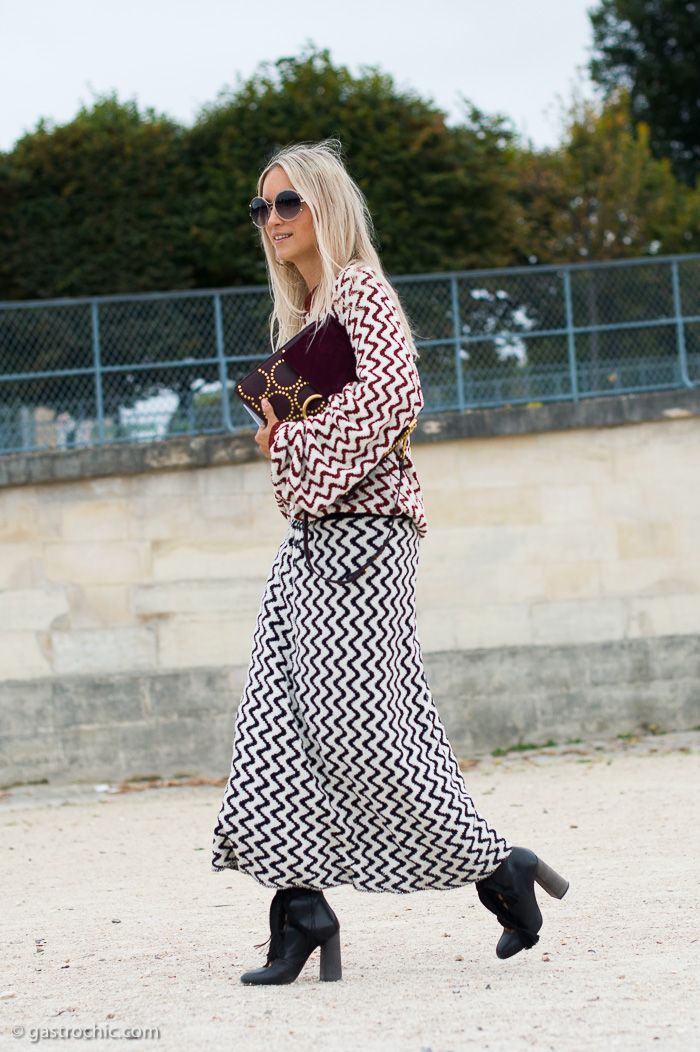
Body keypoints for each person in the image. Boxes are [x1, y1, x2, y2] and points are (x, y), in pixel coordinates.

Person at [211, 140, 568, 985]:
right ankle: (298, 908)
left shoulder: (361, 290)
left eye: (288, 203)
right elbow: (302, 478)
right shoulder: (305, 317)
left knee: (369, 738)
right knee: (274, 729)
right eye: (261, 208)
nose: (272, 221)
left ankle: (497, 865)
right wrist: (286, 447)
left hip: (365, 543)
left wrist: (289, 442)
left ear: (326, 206)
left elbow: (391, 404)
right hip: (312, 546)